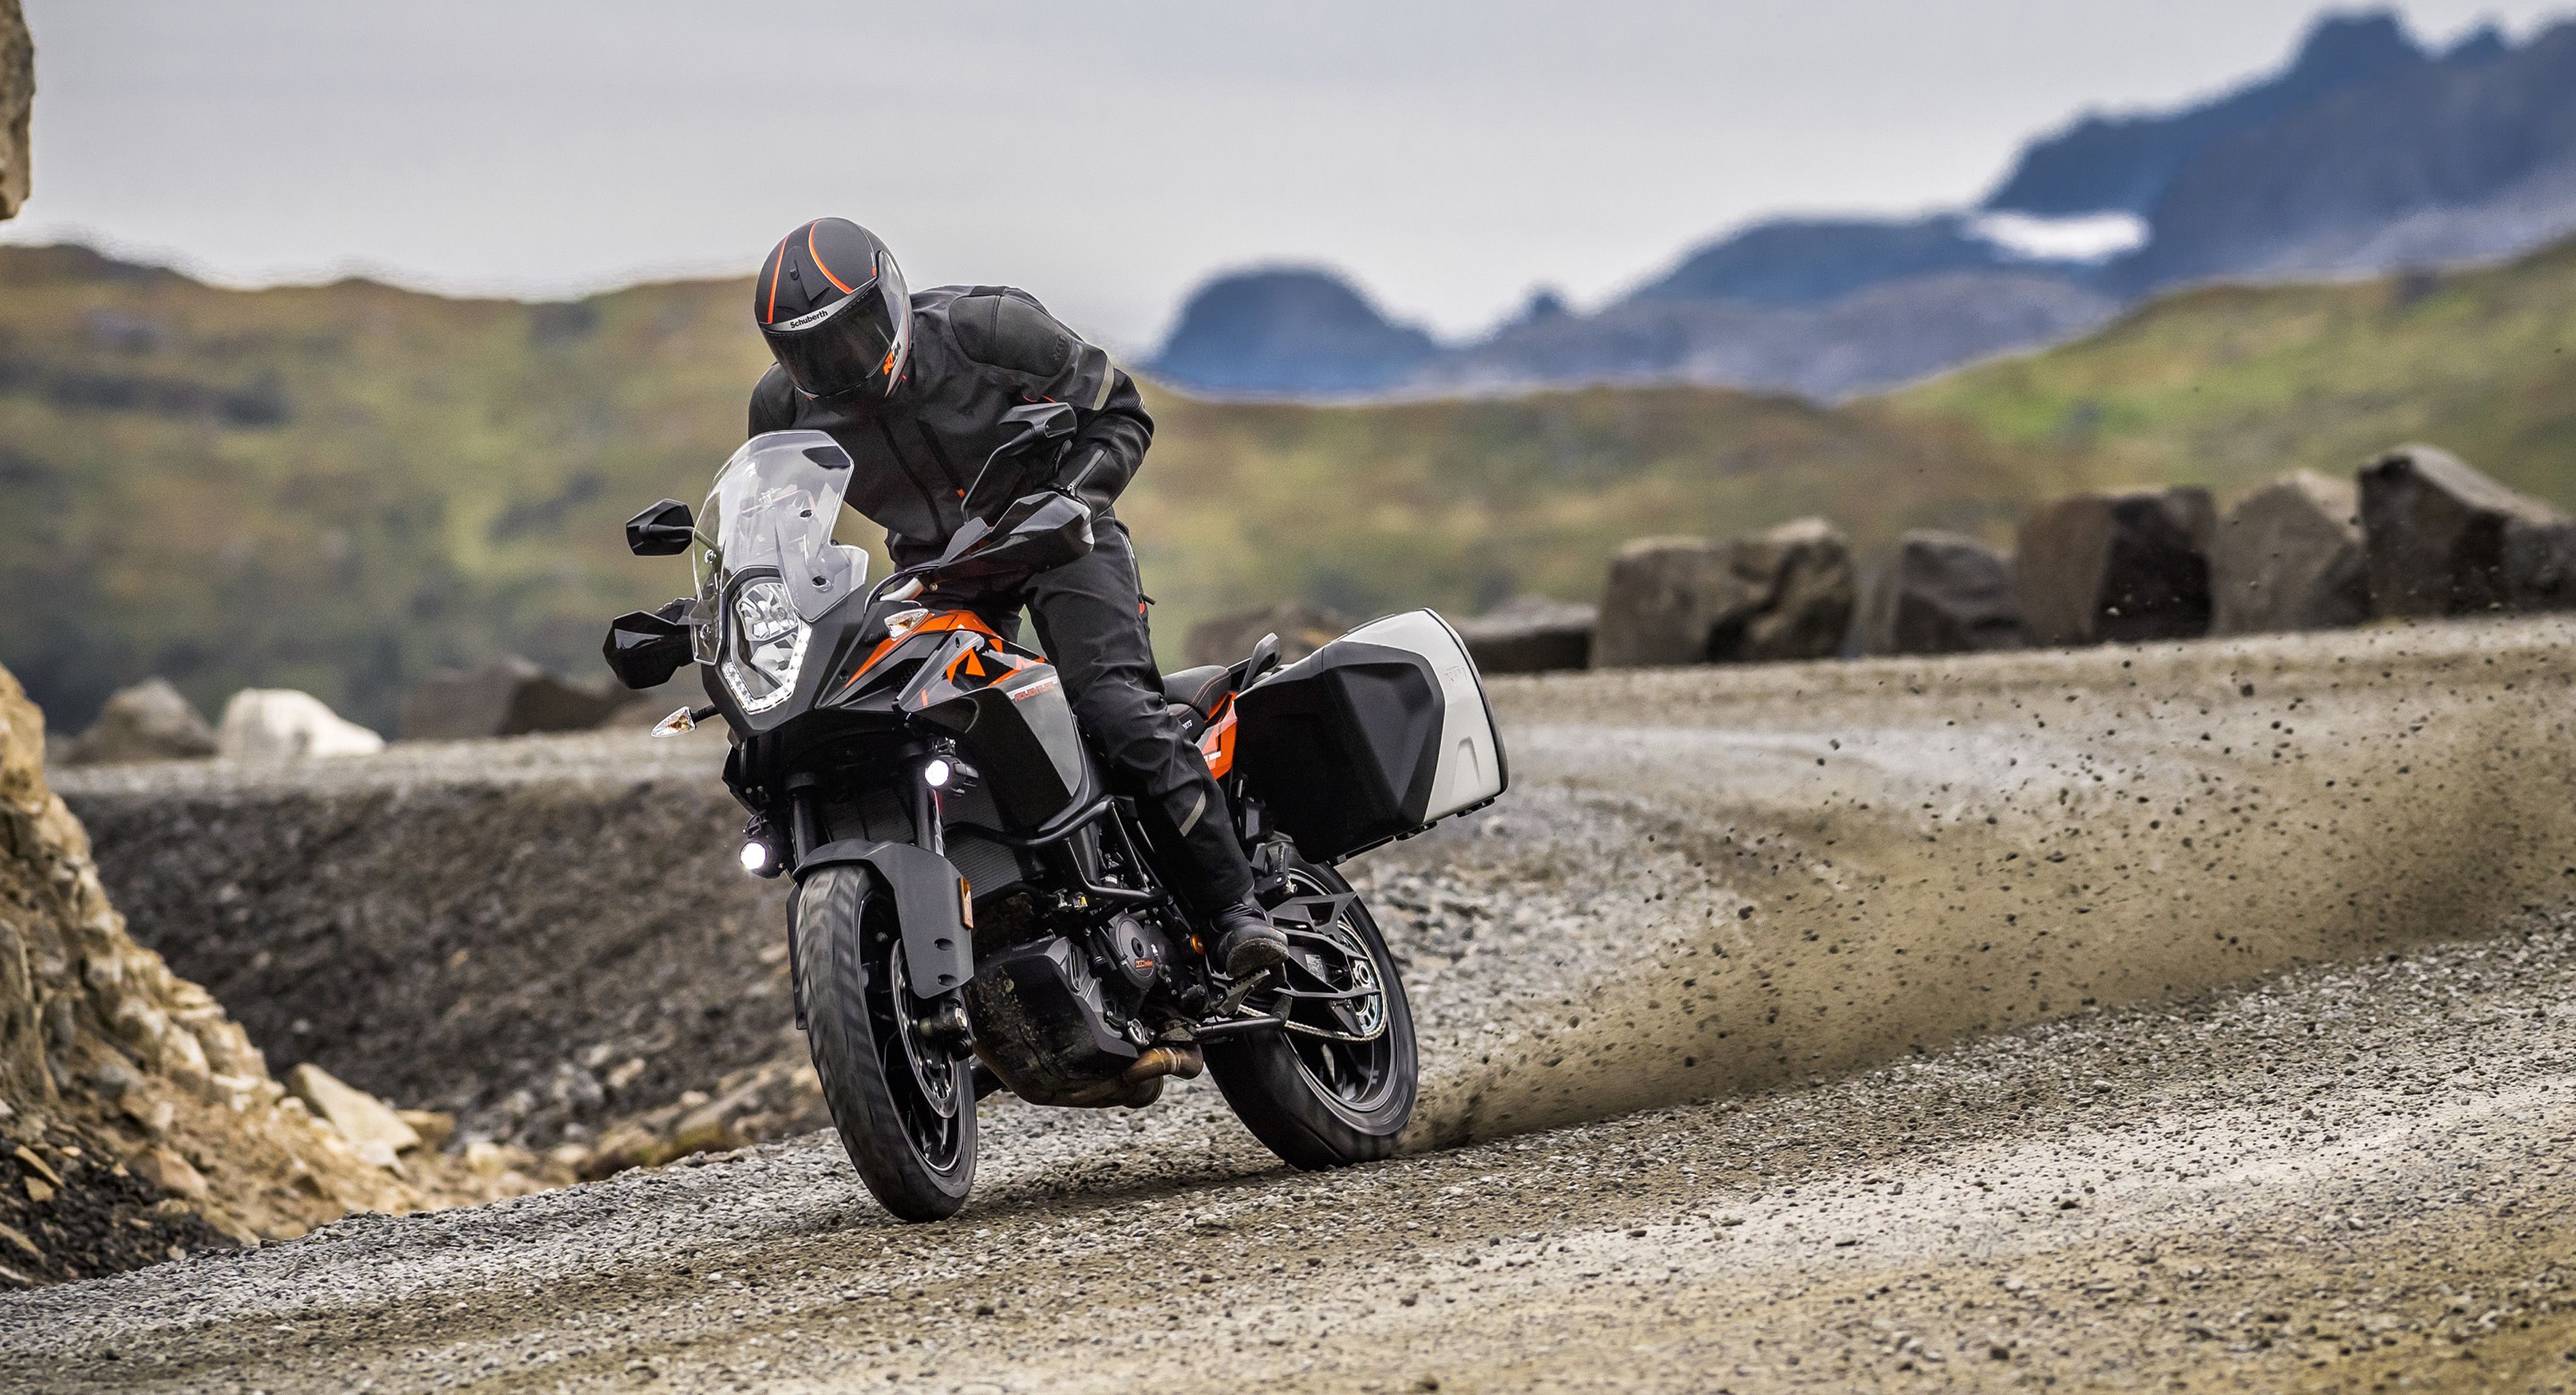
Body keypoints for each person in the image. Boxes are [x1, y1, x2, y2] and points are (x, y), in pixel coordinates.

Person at [746, 216, 1286, 976]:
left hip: (1057, 538)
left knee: (1112, 707)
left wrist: (1069, 498)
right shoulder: (781, 410)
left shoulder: (987, 329)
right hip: (936, 573)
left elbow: (1120, 411)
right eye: (809, 351)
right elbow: (774, 534)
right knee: (906, 731)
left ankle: (1234, 910)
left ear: (890, 300)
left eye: (852, 336)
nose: (838, 364)